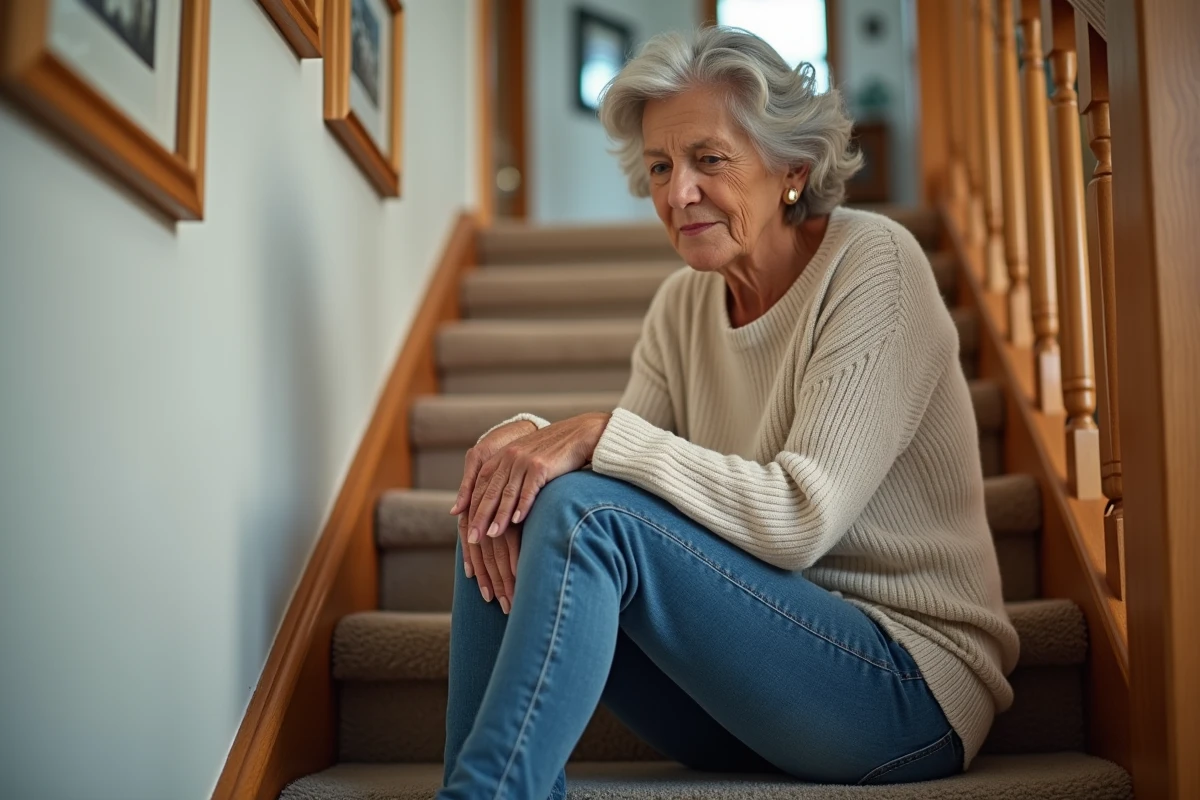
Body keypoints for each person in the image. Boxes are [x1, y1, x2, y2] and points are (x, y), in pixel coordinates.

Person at [437, 25, 1019, 799]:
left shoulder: (873, 262)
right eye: (660, 167)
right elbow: (611, 482)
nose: (678, 194)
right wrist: (523, 447)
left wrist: (596, 434)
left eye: (709, 159)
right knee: (506, 501)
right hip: (745, 694)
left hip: (902, 691)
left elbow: (801, 517)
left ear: (792, 169)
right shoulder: (681, 306)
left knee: (582, 515)